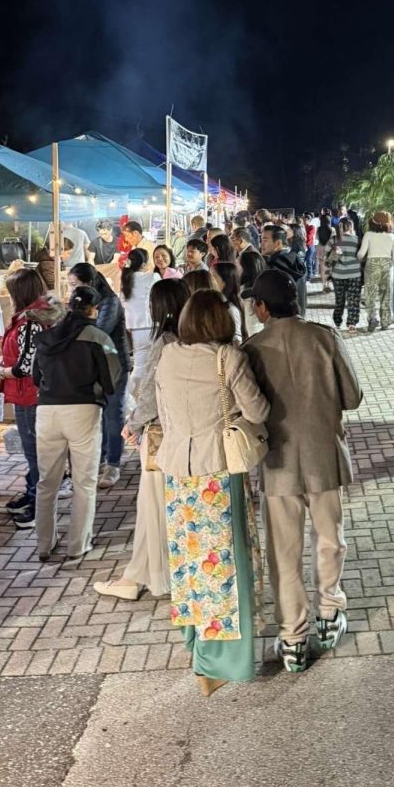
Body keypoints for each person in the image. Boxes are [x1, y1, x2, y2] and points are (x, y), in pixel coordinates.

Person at [243, 270, 363, 673]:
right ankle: (330, 614)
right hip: (324, 455)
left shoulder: (253, 348)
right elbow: (353, 396)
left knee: (285, 552)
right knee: (331, 539)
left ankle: (293, 638)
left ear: (262, 307)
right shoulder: (324, 337)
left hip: (278, 462)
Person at [155, 290, 270, 696]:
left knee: (190, 563)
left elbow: (164, 413)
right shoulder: (229, 358)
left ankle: (197, 645)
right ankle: (219, 663)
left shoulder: (168, 356)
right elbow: (257, 412)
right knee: (224, 566)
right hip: (218, 471)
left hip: (176, 473)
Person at [94, 278, 190, 601]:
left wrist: (132, 424)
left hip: (160, 436)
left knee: (151, 507)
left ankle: (142, 575)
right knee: (160, 509)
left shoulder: (165, 342)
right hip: (181, 435)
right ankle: (143, 573)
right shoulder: (191, 338)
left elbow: (149, 394)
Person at [33, 284, 121, 561]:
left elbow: (36, 377)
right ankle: (78, 545)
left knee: (47, 482)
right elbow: (111, 379)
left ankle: (44, 545)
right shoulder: (98, 336)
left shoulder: (47, 337)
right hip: (83, 411)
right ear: (93, 309)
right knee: (84, 482)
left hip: (47, 412)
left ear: (71, 306)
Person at [0, 268, 65, 530]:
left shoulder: (31, 320)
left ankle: (38, 508)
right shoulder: (37, 315)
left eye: (10, 291)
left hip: (31, 395)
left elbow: (26, 367)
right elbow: (26, 355)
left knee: (36, 454)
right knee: (36, 454)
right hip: (34, 393)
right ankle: (33, 495)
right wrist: (6, 359)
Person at [67, 263, 131, 488]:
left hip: (115, 366)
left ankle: (113, 464)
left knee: (114, 414)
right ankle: (102, 459)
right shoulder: (80, 305)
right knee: (100, 414)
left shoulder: (110, 302)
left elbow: (97, 333)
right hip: (93, 367)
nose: (72, 291)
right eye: (71, 286)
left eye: (75, 285)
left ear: (90, 283)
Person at [358, 210, 394, 332]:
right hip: (388, 265)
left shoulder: (369, 235)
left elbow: (361, 253)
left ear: (373, 222)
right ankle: (385, 322)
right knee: (386, 295)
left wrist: (358, 257)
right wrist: (391, 266)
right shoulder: (392, 237)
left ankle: (372, 318)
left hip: (372, 265)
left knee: (370, 294)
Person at [120, 248, 159, 380]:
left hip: (134, 328)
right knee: (154, 365)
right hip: (151, 325)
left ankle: (134, 395)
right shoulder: (153, 277)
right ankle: (140, 395)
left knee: (139, 364)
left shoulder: (125, 280)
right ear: (144, 264)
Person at [261, 224, 307, 317]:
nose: (261, 243)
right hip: (299, 318)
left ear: (278, 243)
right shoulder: (296, 260)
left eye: (265, 240)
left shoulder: (272, 267)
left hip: (280, 321)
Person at [328, 217, 362, 331]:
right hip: (354, 274)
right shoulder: (357, 240)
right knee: (354, 299)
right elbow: (361, 257)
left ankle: (337, 322)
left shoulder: (333, 240)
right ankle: (352, 323)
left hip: (338, 274)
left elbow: (326, 258)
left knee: (340, 299)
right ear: (351, 227)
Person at [211, 261, 245, 342]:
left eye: (213, 277)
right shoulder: (214, 303)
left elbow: (237, 341)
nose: (209, 280)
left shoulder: (231, 310)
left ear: (225, 282)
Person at [238, 246, 267, 337]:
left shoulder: (246, 292)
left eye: (238, 265)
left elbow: (251, 324)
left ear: (246, 269)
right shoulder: (266, 286)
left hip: (255, 337)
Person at [316, 210, 334, 292]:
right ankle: (328, 285)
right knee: (329, 269)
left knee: (322, 268)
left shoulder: (318, 229)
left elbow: (316, 239)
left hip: (320, 249)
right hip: (329, 250)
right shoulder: (332, 229)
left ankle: (324, 286)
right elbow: (334, 240)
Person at [303, 214, 317, 281]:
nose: (303, 221)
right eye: (303, 220)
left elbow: (309, 237)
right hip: (305, 246)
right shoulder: (303, 227)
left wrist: (304, 241)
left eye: (305, 220)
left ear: (308, 220)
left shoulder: (312, 227)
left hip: (310, 246)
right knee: (304, 261)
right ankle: (306, 276)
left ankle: (309, 277)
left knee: (309, 262)